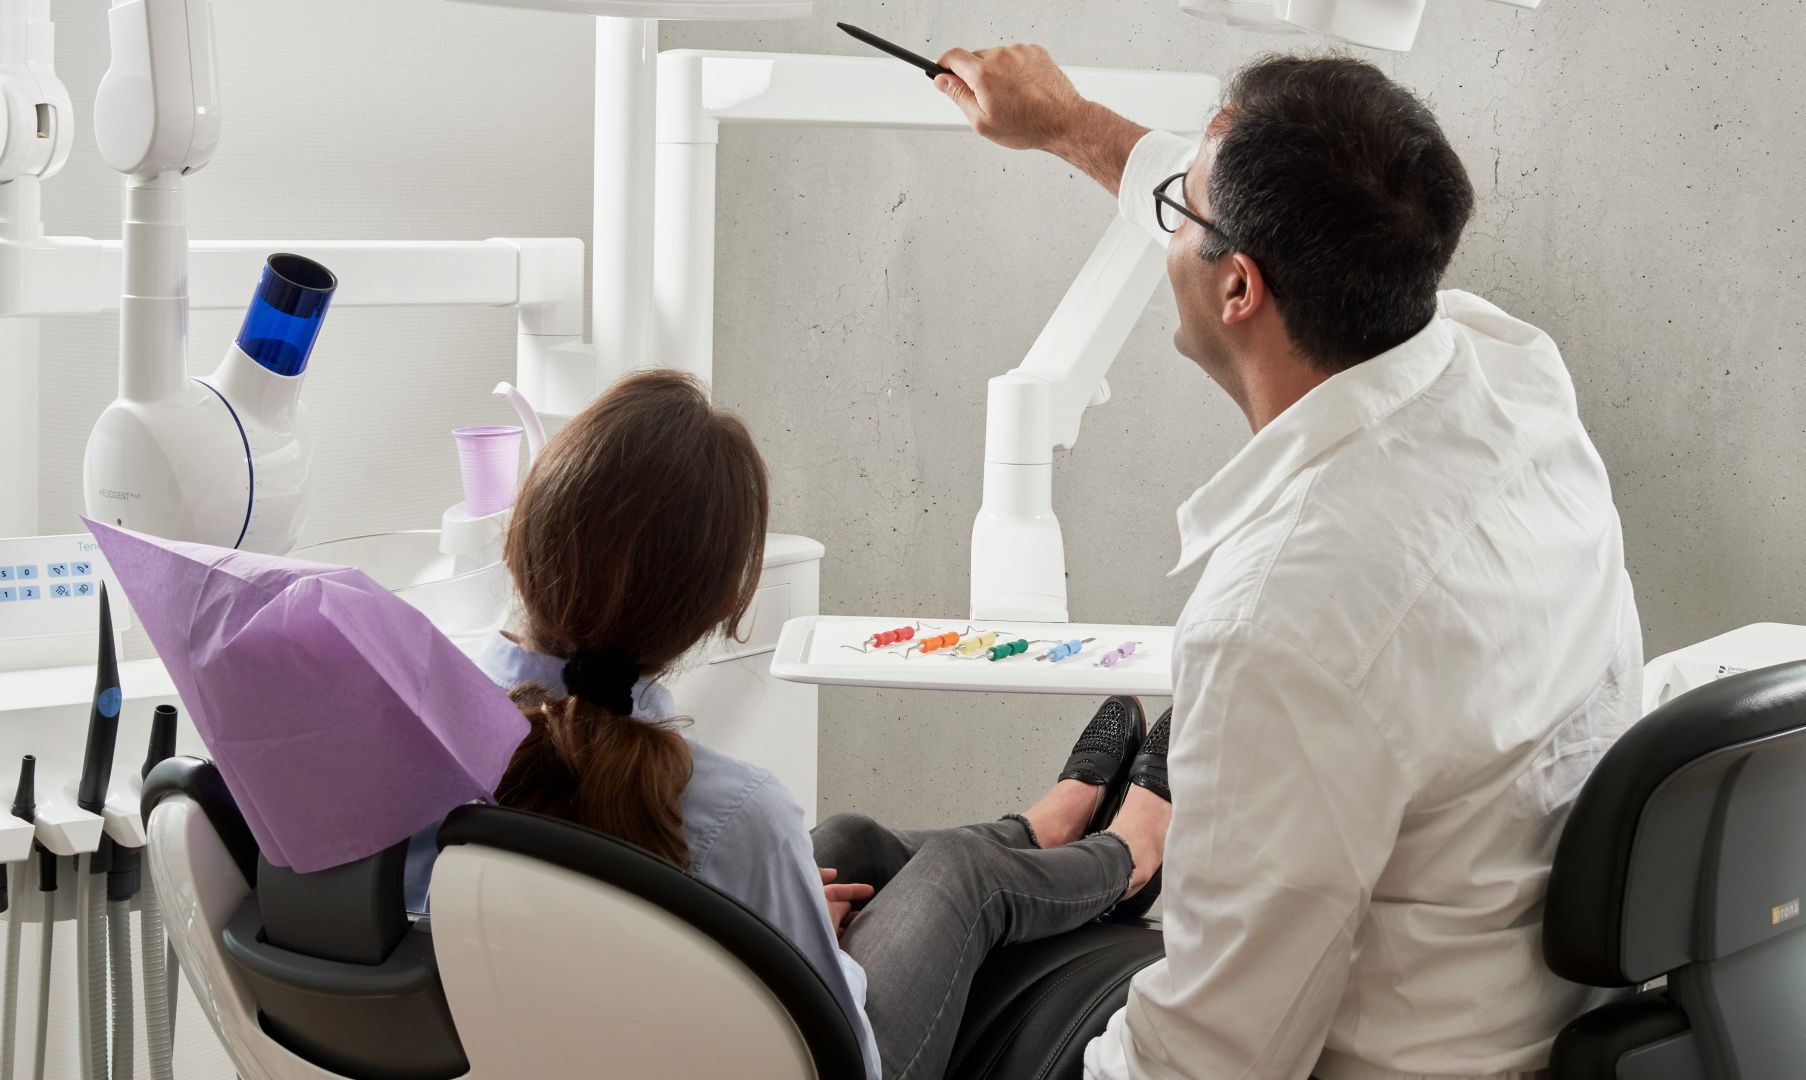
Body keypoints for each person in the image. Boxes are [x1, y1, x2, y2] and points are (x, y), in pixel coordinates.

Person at [931, 47, 1644, 1080]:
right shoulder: (1509, 370)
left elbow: (1207, 1064)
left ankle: (1099, 856)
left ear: (1239, 288)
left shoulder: (1284, 620)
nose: (1169, 212)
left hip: (1339, 1053)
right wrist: (1068, 122)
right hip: (1506, 999)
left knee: (925, 907)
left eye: (1184, 204)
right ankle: (1117, 851)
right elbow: (1264, 217)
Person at [473, 368, 1175, 1080]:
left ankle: (1039, 832)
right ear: (723, 609)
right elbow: (843, 1055)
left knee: (849, 840)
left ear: (520, 533)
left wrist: (791, 930)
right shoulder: (739, 814)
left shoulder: (428, 743)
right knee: (963, 874)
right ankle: (1128, 856)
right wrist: (820, 961)